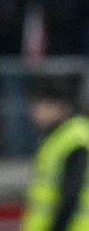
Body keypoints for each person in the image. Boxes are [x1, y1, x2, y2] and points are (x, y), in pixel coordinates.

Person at [22, 76, 89, 231]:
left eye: (40, 105)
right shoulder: (55, 136)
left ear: (58, 106)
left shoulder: (74, 138)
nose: (34, 111)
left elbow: (72, 194)